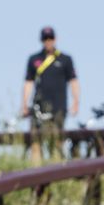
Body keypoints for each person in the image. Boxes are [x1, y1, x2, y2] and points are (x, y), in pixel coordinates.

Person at [20, 26, 79, 164]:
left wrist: (76, 101)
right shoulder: (33, 59)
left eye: (50, 38)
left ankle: (56, 174)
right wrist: (24, 103)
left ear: (55, 39)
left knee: (57, 142)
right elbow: (28, 83)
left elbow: (74, 81)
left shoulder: (65, 59)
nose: (48, 41)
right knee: (35, 142)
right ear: (41, 40)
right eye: (45, 38)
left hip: (58, 107)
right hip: (38, 108)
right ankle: (36, 175)